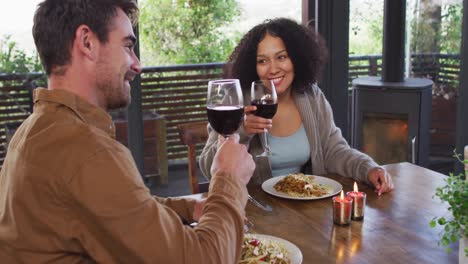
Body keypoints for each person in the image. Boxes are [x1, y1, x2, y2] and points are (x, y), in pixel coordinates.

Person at [0, 0, 255, 263]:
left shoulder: (35, 129)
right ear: (87, 42)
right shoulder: (86, 151)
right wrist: (228, 180)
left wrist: (190, 208)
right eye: (128, 46)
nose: (137, 65)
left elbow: (120, 205)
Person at [199, 18, 393, 195]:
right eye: (262, 61)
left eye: (281, 57)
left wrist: (368, 168)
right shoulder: (237, 101)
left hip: (303, 209)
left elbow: (334, 151)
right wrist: (240, 132)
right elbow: (209, 168)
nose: (273, 68)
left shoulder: (311, 96)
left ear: (297, 58)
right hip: (249, 211)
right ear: (253, 65)